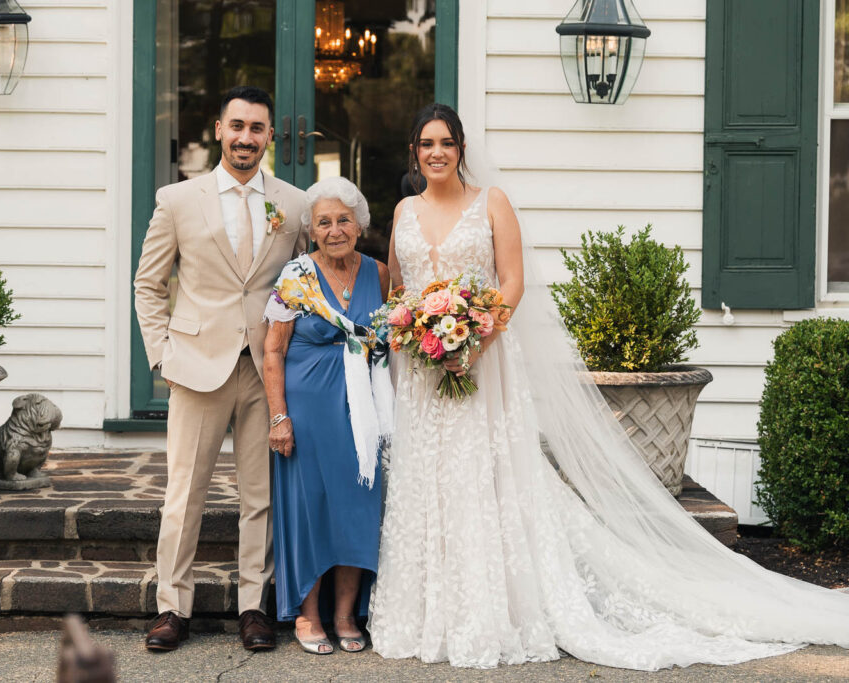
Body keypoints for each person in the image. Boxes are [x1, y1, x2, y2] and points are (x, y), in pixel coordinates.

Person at [367, 103, 849, 670]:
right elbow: (401, 289)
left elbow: (513, 281)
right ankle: (430, 614)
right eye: (426, 144)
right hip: (425, 376)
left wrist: (472, 343)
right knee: (430, 481)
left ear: (462, 149)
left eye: (446, 142)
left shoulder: (490, 204)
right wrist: (422, 334)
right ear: (414, 153)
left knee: (484, 479)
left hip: (485, 367)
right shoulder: (402, 210)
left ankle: (492, 612)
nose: (437, 153)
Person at [134, 85, 309, 653]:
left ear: (270, 138)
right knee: (184, 492)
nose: (246, 138)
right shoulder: (177, 200)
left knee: (259, 494)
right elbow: (149, 284)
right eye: (237, 126)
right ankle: (171, 607)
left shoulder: (295, 203)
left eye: (257, 129)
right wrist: (161, 353)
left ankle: (254, 606)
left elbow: (304, 283)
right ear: (219, 129)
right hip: (196, 363)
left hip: (266, 368)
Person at [262, 177, 392, 655]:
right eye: (324, 222)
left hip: (364, 414)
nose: (335, 229)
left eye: (343, 219)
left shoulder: (379, 275)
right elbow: (272, 351)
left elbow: (392, 340)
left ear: (359, 225)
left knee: (357, 507)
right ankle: (307, 613)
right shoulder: (295, 275)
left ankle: (345, 615)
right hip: (308, 411)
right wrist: (279, 417)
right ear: (312, 232)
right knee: (310, 511)